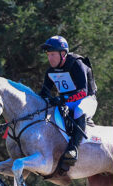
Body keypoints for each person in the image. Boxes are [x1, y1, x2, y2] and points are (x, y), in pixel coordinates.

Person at [39, 35, 97, 165]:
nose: (50, 58)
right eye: (48, 55)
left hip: (87, 99)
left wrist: (63, 99)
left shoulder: (76, 63)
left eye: (53, 54)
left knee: (79, 110)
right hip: (67, 101)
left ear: (63, 54)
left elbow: (83, 91)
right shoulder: (50, 71)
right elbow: (44, 93)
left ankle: (73, 149)